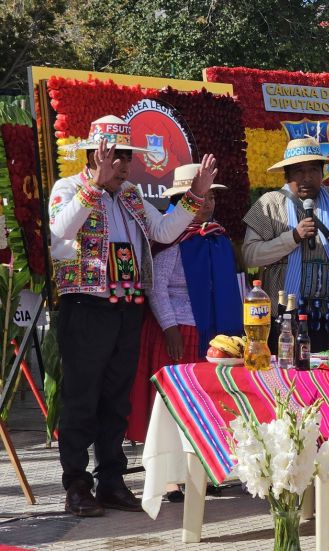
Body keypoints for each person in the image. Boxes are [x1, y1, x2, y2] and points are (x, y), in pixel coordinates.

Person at [49, 116, 209, 517]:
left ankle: (111, 482)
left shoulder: (132, 194)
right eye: (116, 156)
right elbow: (58, 236)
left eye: (127, 157)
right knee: (81, 400)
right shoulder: (69, 188)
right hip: (86, 306)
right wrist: (92, 187)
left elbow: (164, 231)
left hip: (126, 309)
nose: (124, 164)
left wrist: (194, 197)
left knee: (116, 399)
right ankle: (76, 485)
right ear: (94, 155)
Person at [127, 161, 242, 502]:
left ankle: (204, 469)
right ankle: (168, 479)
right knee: (171, 407)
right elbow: (156, 287)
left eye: (211, 198)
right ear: (182, 200)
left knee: (205, 405)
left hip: (212, 337)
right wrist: (170, 327)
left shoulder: (219, 239)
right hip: (177, 334)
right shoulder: (172, 240)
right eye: (200, 197)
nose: (207, 203)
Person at [242, 137, 329, 352]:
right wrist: (292, 237)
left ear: (322, 173)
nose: (307, 177)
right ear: (287, 174)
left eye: (314, 170)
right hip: (282, 319)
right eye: (299, 171)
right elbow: (250, 255)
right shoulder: (269, 204)